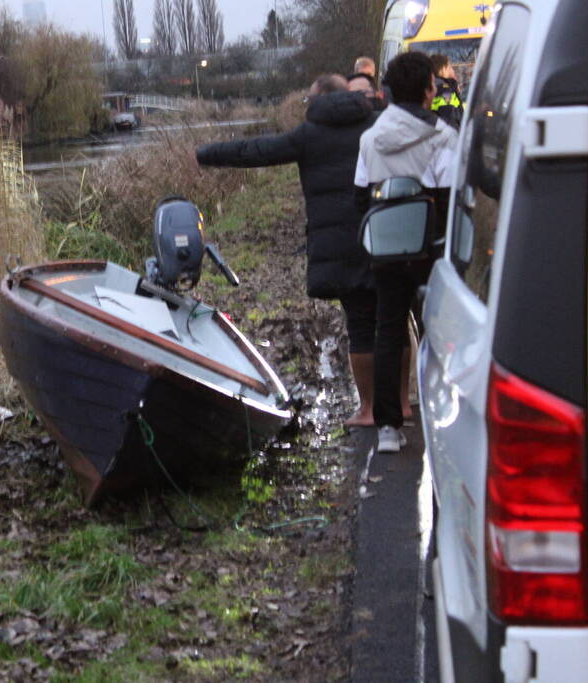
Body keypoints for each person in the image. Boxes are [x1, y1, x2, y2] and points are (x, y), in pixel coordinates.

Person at [196, 74, 380, 426]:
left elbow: (256, 151)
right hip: (382, 235)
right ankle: (401, 402)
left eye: (307, 99)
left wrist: (206, 154)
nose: (305, 105)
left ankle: (369, 409)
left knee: (359, 324)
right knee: (390, 321)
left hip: (338, 245)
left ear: (320, 99)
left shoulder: (309, 135)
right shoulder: (376, 125)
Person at [355, 51, 459, 452]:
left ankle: (388, 429)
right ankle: (445, 413)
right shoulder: (443, 137)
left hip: (386, 247)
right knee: (440, 332)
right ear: (430, 90)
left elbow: (359, 198)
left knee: (388, 330)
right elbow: (449, 200)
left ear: (389, 93)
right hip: (430, 249)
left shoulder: (370, 139)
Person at [429, 53, 464, 126]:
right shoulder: (444, 90)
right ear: (443, 69)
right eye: (449, 67)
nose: (452, 70)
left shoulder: (433, 85)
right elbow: (449, 116)